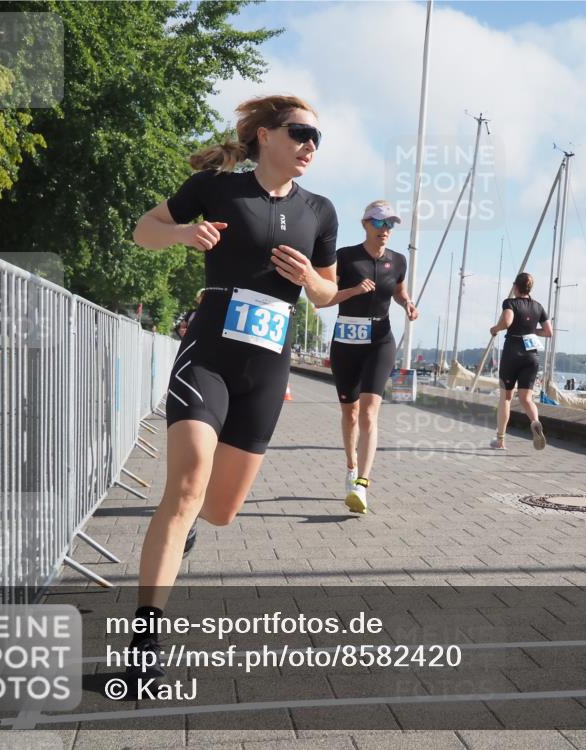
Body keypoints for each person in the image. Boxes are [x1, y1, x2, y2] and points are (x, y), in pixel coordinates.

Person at [128, 94, 338, 678]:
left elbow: (327, 292)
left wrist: (309, 284)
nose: (310, 146)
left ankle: (189, 524)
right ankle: (145, 641)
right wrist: (184, 235)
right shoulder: (218, 189)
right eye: (300, 133)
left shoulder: (320, 210)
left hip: (267, 368)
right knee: (187, 484)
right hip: (210, 354)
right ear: (266, 136)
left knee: (218, 509)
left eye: (318, 139)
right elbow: (146, 229)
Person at [322, 201, 417, 514]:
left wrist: (407, 305)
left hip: (380, 340)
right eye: (379, 223)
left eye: (390, 224)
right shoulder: (345, 257)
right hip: (346, 342)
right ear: (365, 224)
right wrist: (352, 291)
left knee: (369, 411)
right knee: (349, 413)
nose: (385, 230)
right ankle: (351, 467)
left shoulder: (398, 261)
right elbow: (323, 298)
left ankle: (362, 484)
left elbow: (399, 291)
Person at [488, 272, 552, 451]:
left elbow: (507, 322)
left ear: (516, 286)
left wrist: (495, 328)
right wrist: (531, 330)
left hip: (512, 354)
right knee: (526, 398)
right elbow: (548, 332)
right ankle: (535, 422)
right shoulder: (538, 306)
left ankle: (500, 440)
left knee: (506, 398)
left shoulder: (510, 302)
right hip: (531, 356)